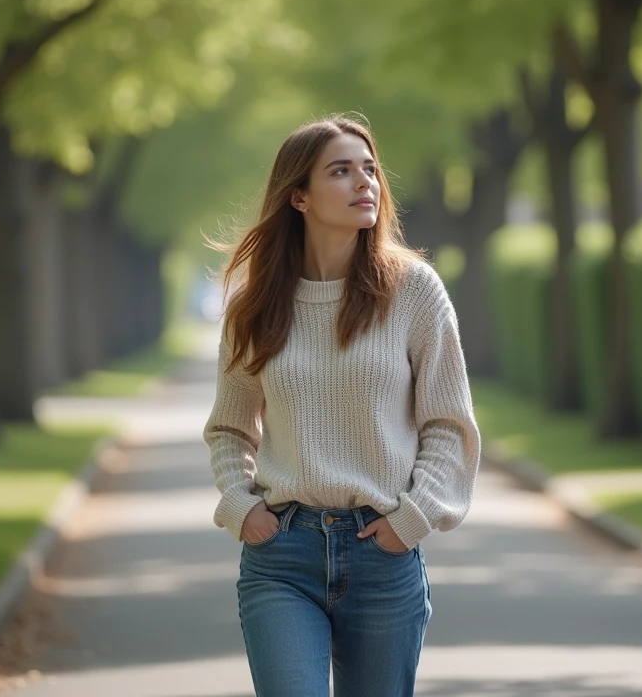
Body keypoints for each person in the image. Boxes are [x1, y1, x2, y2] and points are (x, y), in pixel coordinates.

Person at [202, 114, 481, 697]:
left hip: (382, 556)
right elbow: (230, 428)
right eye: (342, 171)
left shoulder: (414, 291)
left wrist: (411, 520)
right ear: (299, 196)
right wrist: (238, 504)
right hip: (282, 555)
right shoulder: (255, 308)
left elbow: (448, 425)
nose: (366, 184)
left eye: (371, 169)